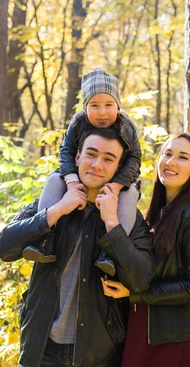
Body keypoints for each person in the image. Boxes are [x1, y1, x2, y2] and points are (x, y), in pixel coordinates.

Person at [0, 127, 154, 367]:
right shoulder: (51, 202)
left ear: (118, 168)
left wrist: (112, 224)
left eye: (108, 159)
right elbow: (5, 247)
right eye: (91, 155)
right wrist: (56, 211)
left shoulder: (127, 218)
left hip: (100, 351)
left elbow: (142, 278)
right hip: (43, 344)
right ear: (77, 157)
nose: (97, 164)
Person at [101, 133, 190, 367]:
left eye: (183, 157)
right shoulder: (157, 212)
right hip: (146, 328)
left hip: (179, 336)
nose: (171, 162)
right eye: (168, 153)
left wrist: (135, 295)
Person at [23, 67, 142, 277]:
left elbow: (135, 159)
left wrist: (117, 185)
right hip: (77, 175)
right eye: (94, 105)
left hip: (119, 179)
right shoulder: (78, 124)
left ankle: (110, 252)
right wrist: (70, 180)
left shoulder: (127, 127)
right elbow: (66, 151)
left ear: (118, 106)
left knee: (130, 195)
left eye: (108, 105)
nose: (102, 112)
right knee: (53, 180)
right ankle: (44, 239)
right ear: (85, 107)